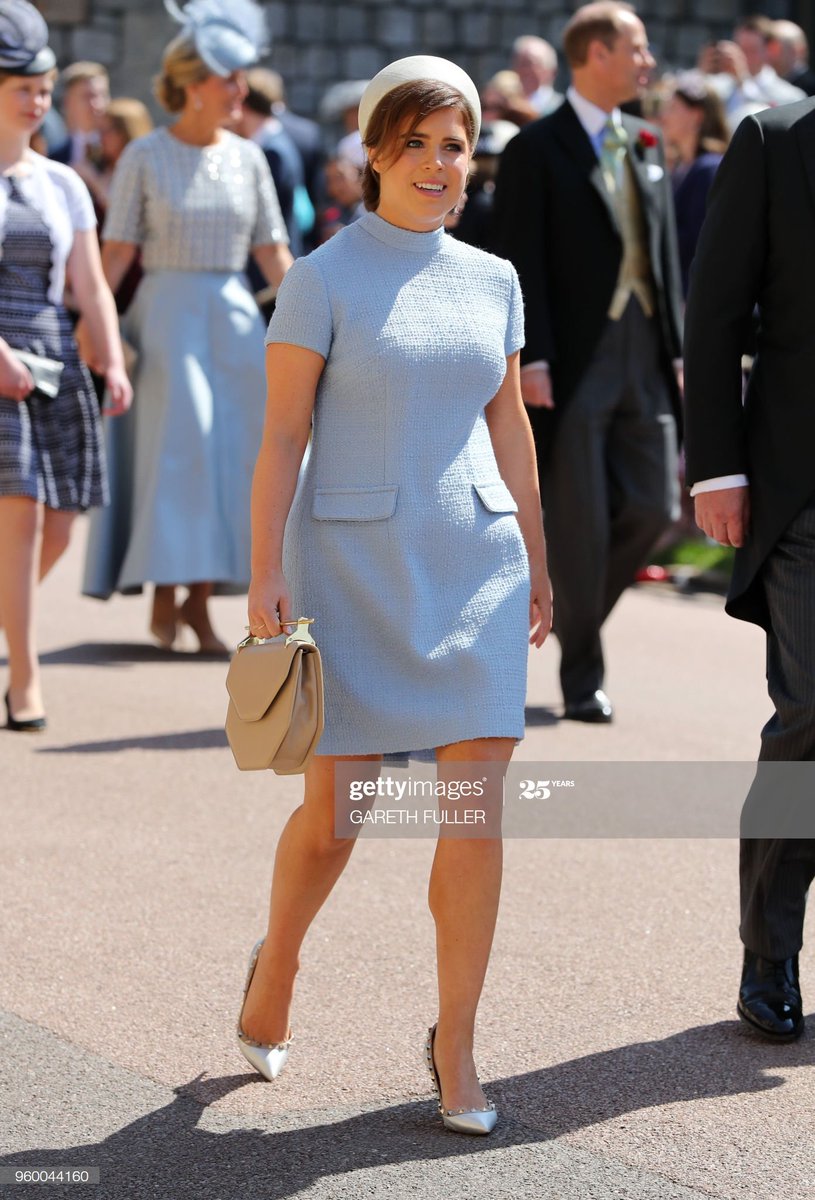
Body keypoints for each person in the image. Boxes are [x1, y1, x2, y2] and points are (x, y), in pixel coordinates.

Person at [239, 55, 551, 1136]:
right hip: (350, 564)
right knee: (339, 815)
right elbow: (283, 435)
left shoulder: (494, 278)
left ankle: (455, 1043)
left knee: (472, 809)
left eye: (453, 145)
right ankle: (276, 959)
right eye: (413, 143)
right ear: (373, 152)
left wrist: (541, 560)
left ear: (473, 160)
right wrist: (265, 567)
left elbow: (507, 423)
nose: (434, 164)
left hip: (475, 559)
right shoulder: (323, 276)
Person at [82, 0, 293, 653]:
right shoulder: (144, 155)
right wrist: (94, 326)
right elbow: (115, 251)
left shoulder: (249, 158)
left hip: (233, 323)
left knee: (232, 464)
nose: (240, 90)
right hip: (166, 320)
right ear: (193, 83)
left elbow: (273, 254)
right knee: (180, 461)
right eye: (229, 78)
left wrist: (329, 317)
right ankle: (172, 598)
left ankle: (195, 602)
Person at [493, 0, 683, 724]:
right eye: (634, 49)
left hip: (644, 351)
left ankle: (568, 623)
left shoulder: (644, 138)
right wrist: (530, 356)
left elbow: (660, 252)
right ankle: (581, 678)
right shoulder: (535, 148)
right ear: (593, 55)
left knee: (651, 508)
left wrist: (678, 347)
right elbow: (519, 263)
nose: (647, 62)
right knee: (576, 522)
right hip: (569, 358)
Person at [684, 93, 815, 1042]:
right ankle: (768, 952)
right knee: (811, 712)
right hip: (799, 485)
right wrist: (717, 468)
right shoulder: (771, 139)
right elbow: (715, 309)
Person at [0, 0, 130, 731]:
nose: (39, 96)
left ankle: (9, 635)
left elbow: (90, 283)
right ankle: (24, 678)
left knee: (60, 522)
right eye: (22, 84)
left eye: (44, 84)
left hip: (51, 353)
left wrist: (109, 359)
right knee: (19, 513)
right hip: (0, 357)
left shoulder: (61, 183)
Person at [658, 71, 729, 297]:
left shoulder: (708, 169)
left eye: (673, 108)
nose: (664, 116)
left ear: (696, 116)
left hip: (692, 299)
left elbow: (701, 245)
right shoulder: (683, 167)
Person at [47, 60, 109, 167]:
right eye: (87, 97)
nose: (98, 104)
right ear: (68, 102)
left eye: (102, 95)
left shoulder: (122, 151)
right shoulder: (54, 157)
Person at [511, 35, 564, 115]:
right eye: (519, 64)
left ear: (552, 71)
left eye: (529, 64)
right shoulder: (505, 106)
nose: (523, 70)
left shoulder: (562, 108)